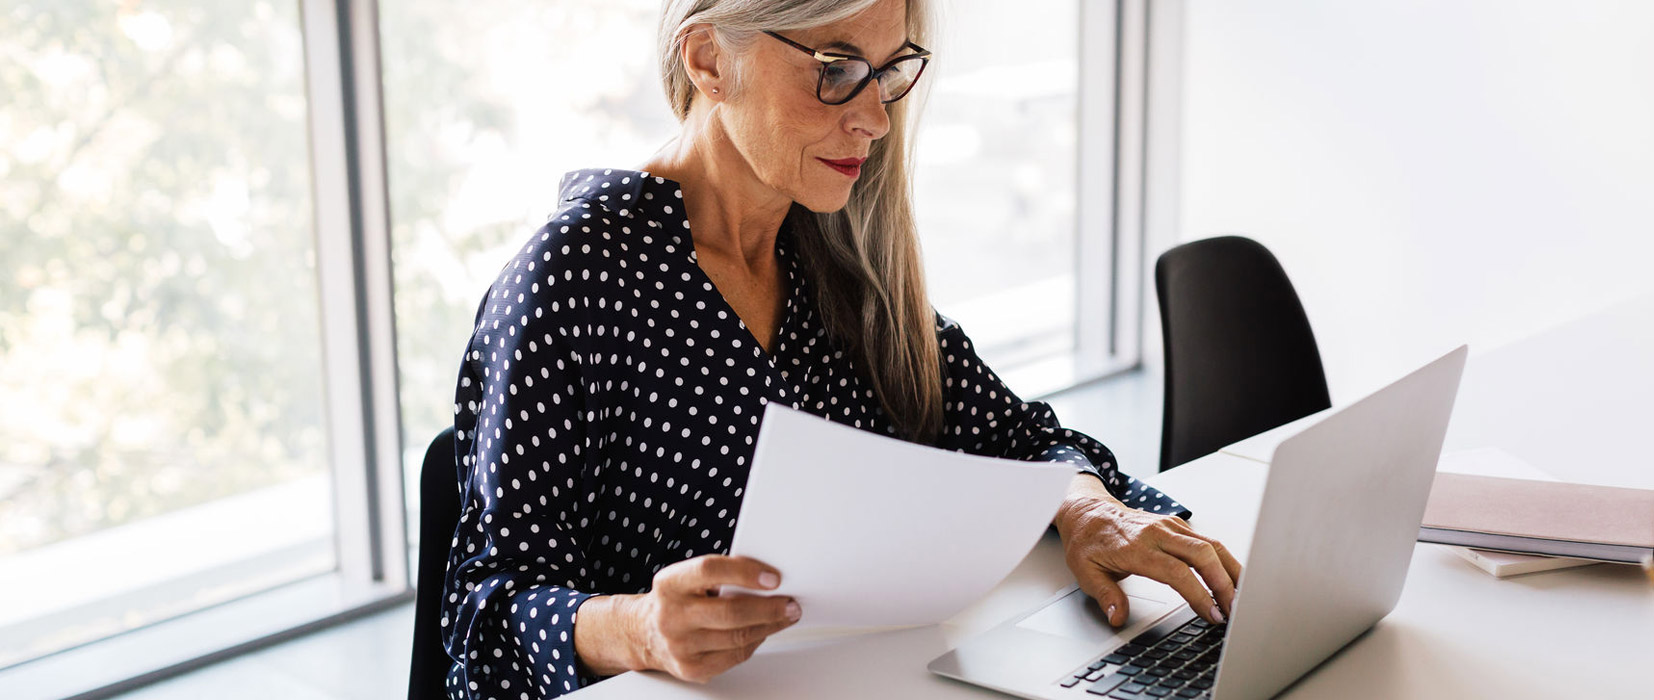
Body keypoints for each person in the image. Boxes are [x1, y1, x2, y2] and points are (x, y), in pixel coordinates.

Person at [440, 1, 1243, 698]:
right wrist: (642, 629)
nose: (877, 117)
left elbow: (1018, 436)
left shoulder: (833, 259)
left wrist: (1088, 508)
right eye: (835, 68)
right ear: (710, 59)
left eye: (891, 71)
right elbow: (482, 616)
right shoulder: (573, 282)